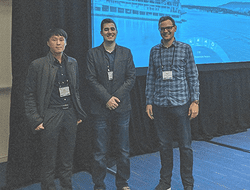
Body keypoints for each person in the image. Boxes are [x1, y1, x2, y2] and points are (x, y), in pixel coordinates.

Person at [24, 28, 87, 190]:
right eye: (54, 39)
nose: (58, 43)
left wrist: (78, 112)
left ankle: (67, 187)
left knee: (67, 158)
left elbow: (76, 90)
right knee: (49, 159)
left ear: (66, 42)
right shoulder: (37, 65)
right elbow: (29, 94)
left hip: (70, 114)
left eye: (61, 39)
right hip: (51, 114)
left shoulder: (72, 62)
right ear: (48, 43)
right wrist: (36, 119)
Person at [145, 16, 200, 190]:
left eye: (169, 28)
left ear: (175, 28)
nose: (166, 31)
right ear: (159, 30)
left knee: (185, 147)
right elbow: (151, 78)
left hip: (181, 104)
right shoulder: (154, 51)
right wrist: (149, 102)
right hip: (160, 104)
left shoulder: (185, 49)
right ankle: (165, 183)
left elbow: (193, 76)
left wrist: (195, 101)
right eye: (162, 28)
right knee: (164, 146)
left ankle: (188, 184)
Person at [86, 18, 136, 190]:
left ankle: (122, 183)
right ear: (101, 33)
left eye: (112, 29)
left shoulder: (126, 52)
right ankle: (99, 185)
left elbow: (131, 78)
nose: (110, 32)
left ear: (116, 31)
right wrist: (107, 99)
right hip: (100, 108)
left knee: (123, 150)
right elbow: (91, 79)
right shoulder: (92, 53)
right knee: (100, 152)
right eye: (106, 29)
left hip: (122, 108)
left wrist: (114, 98)